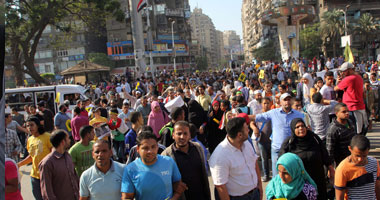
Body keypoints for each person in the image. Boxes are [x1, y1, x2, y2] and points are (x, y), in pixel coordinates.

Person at [121, 131, 187, 200]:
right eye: (145, 148)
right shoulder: (130, 169)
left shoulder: (169, 162)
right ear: (138, 149)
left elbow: (179, 188)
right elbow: (126, 197)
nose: (150, 151)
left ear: (157, 147)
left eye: (153, 147)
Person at [279, 118, 334, 200]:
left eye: (302, 126)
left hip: (318, 177)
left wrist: (330, 167)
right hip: (300, 181)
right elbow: (282, 162)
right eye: (297, 127)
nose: (301, 128)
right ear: (293, 129)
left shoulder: (314, 138)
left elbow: (324, 153)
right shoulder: (289, 143)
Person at [210, 117, 263, 200]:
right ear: (240, 135)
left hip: (255, 193)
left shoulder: (247, 144)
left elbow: (254, 163)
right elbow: (220, 186)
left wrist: (260, 185)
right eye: (246, 129)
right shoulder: (220, 156)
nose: (249, 130)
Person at [252, 92, 304, 175]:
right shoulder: (273, 113)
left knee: (292, 174)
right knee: (277, 175)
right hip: (277, 149)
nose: (287, 102)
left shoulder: (299, 115)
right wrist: (242, 116)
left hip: (293, 148)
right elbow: (257, 117)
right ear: (280, 102)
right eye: (285, 100)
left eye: (289, 99)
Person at [161, 121, 211, 200]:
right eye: (179, 133)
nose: (182, 137)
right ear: (173, 135)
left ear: (190, 135)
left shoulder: (198, 148)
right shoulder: (166, 155)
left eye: (185, 134)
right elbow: (164, 181)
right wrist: (174, 185)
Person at [335, 135, 380, 200]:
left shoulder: (374, 163)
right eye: (357, 155)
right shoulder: (342, 169)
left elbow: (377, 187)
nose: (360, 159)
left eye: (364, 156)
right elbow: (339, 196)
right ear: (350, 149)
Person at [18, 117, 52, 200]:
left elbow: (54, 154)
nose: (29, 127)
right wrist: (19, 164)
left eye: (32, 125)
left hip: (48, 175)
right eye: (27, 126)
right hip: (34, 176)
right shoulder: (30, 139)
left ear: (38, 126)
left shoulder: (47, 136)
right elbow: (32, 156)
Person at [39, 129, 79, 200]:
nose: (70, 140)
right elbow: (47, 191)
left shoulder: (67, 156)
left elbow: (74, 177)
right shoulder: (47, 163)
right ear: (63, 142)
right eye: (68, 139)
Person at [334, 62, 368, 135]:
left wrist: (338, 81)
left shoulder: (349, 79)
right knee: (360, 129)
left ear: (350, 70)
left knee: (354, 130)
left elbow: (336, 88)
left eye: (344, 71)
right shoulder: (358, 77)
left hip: (352, 108)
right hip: (359, 106)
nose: (342, 73)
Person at [250, 97, 272, 182]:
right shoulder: (258, 114)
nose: (266, 105)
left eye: (268, 103)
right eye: (264, 103)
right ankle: (266, 174)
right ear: (261, 104)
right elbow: (252, 123)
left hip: (272, 140)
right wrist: (255, 129)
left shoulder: (273, 113)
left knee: (274, 158)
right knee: (264, 158)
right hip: (262, 139)